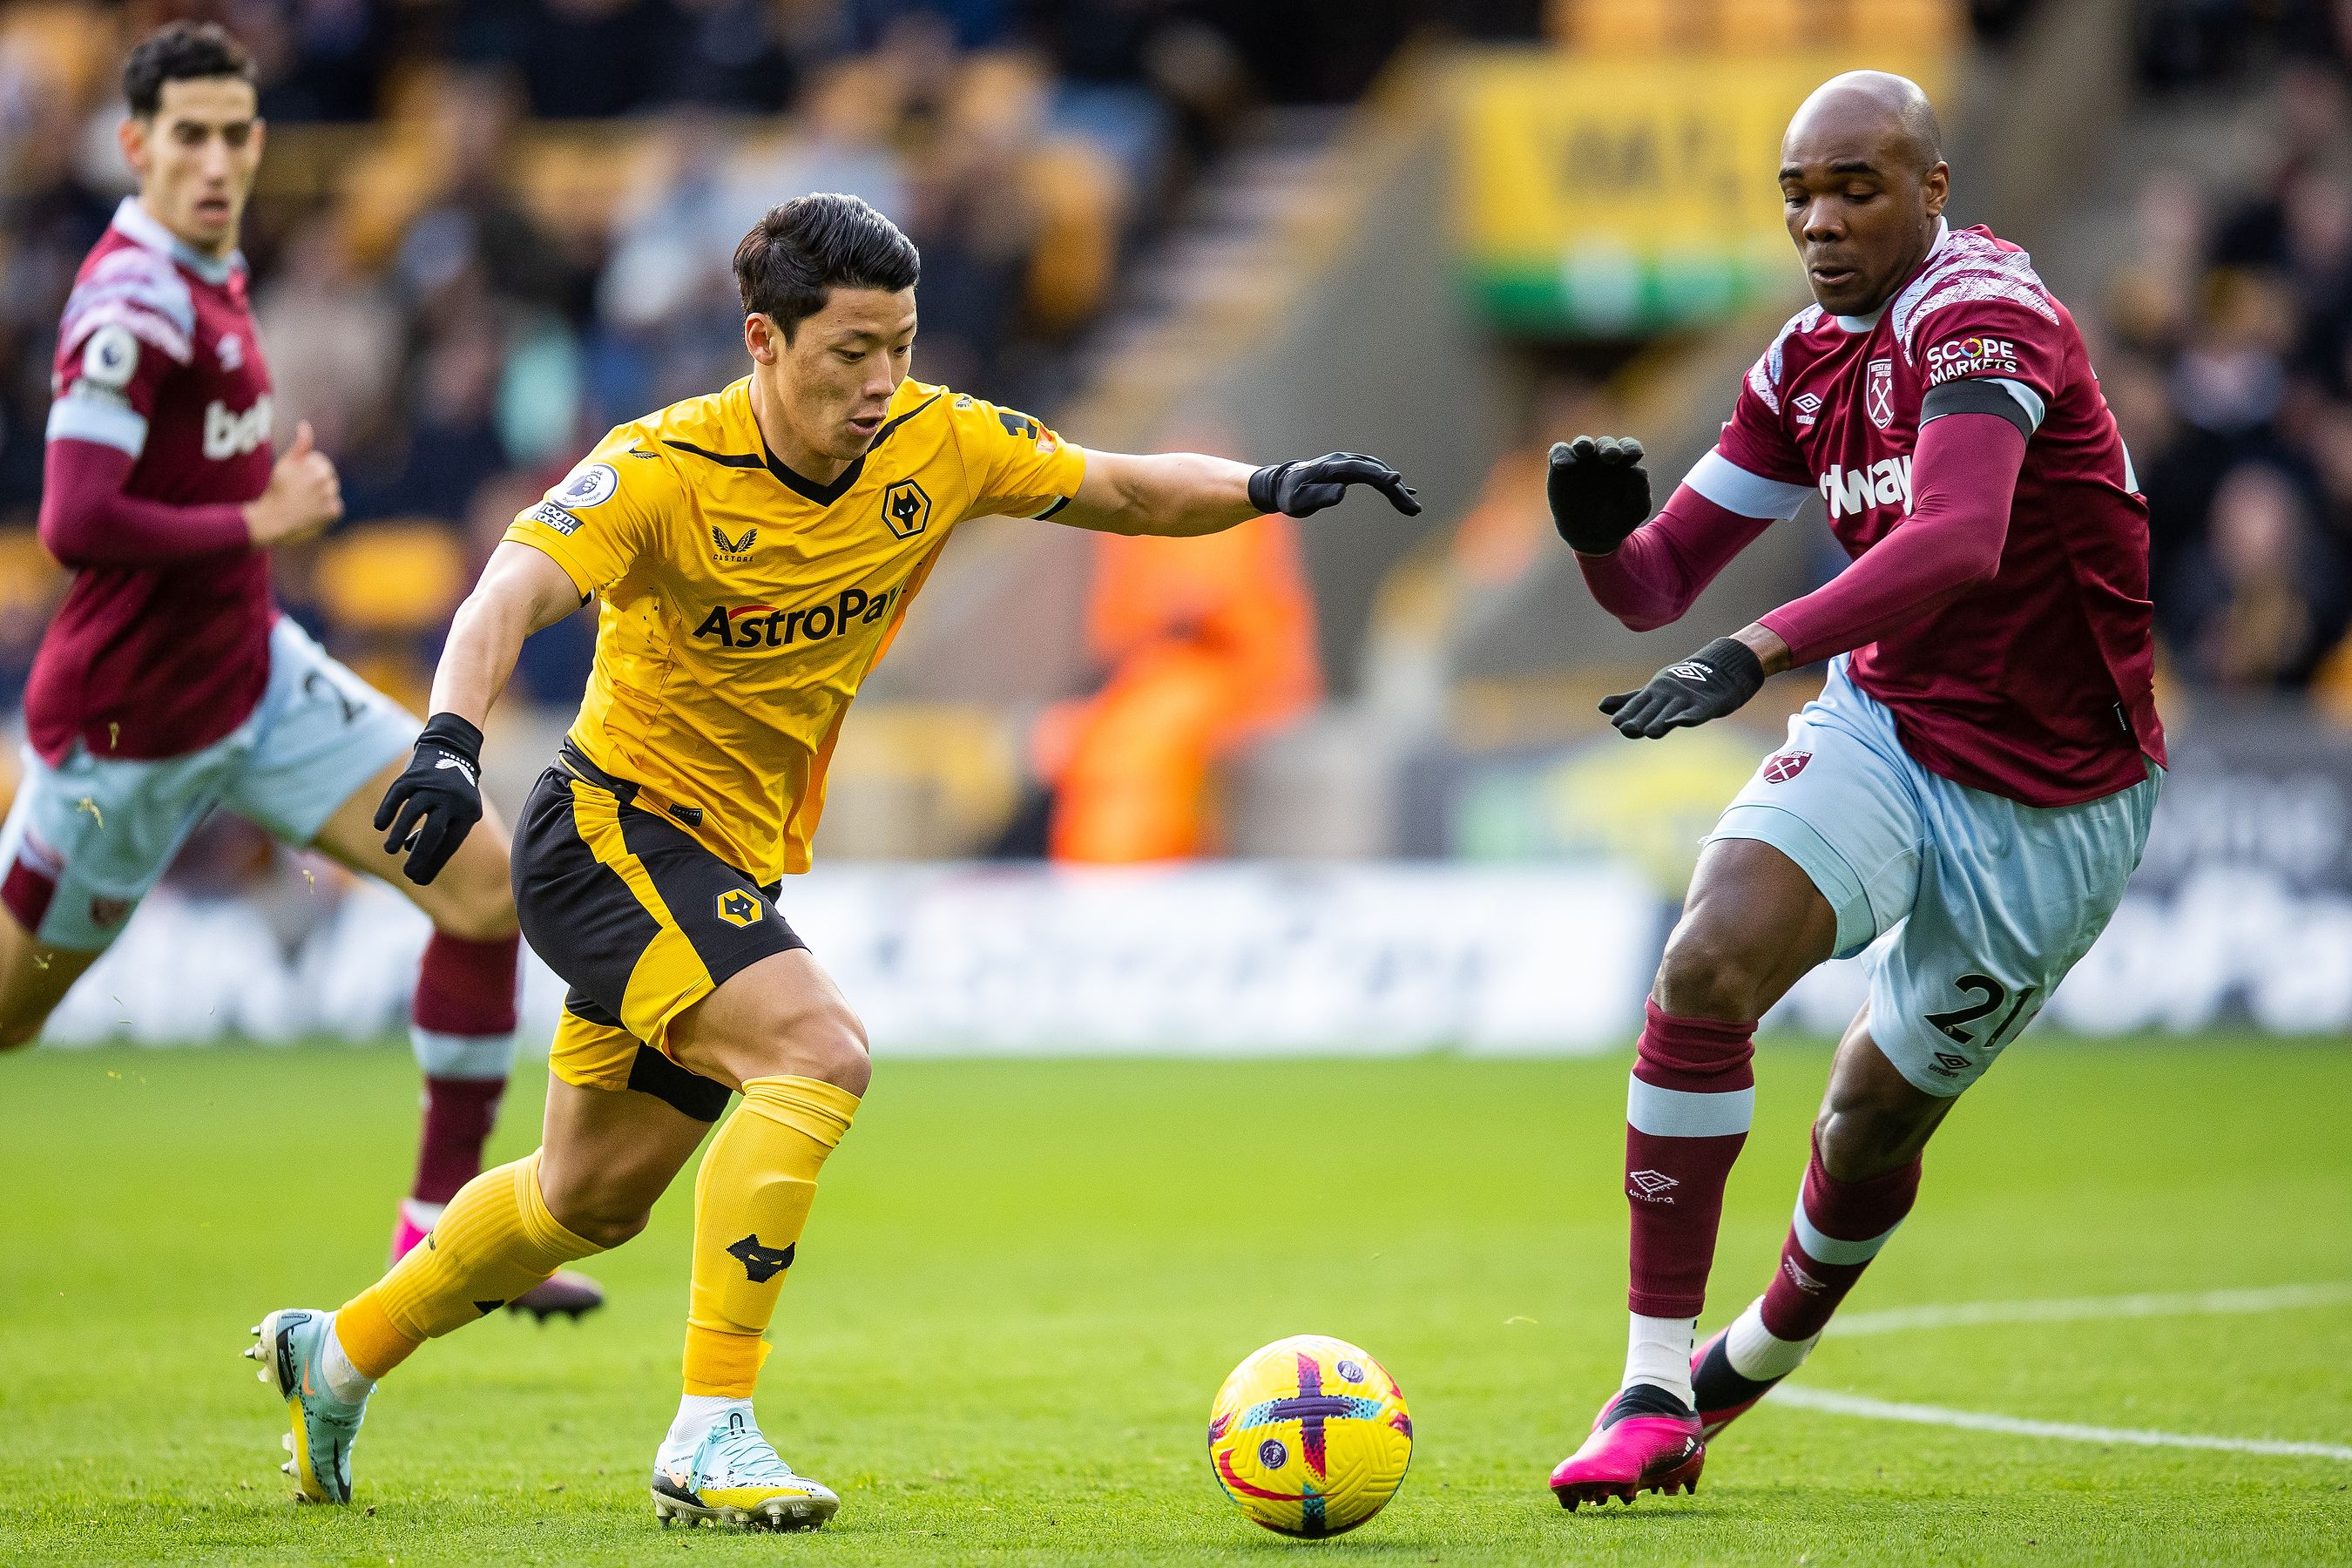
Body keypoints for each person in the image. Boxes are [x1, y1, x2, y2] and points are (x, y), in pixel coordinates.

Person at [245, 191, 1420, 1528]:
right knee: (819, 1052)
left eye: (900, 347)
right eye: (848, 352)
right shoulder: (662, 469)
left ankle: (331, 1356)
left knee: (584, 1201)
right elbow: (504, 592)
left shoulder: (941, 440)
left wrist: (1268, 490)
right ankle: (711, 1432)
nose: (880, 383)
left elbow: (1127, 490)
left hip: (727, 855)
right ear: (763, 341)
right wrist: (450, 744)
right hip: (611, 834)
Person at [1540, 71, 2165, 1508]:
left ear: (1934, 191)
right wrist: (1593, 537)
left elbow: (1956, 539)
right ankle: (1647, 1384)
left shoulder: (1986, 313)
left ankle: (1748, 1364)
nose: (1819, 223)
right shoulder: (1805, 361)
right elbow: (1655, 585)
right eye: (1797, 196)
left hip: (2058, 800)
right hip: (1889, 720)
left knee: (1870, 1120)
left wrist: (1750, 654)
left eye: (1856, 189)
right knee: (1705, 963)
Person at [0, 24, 601, 1318]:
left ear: (259, 143)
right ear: (135, 146)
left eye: (235, 134)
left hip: (255, 677)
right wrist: (256, 524)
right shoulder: (132, 303)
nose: (216, 159)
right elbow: (74, 518)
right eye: (189, 137)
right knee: (10, 1016)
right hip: (126, 734)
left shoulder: (216, 271)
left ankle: (443, 1234)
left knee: (485, 885)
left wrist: (249, 536)